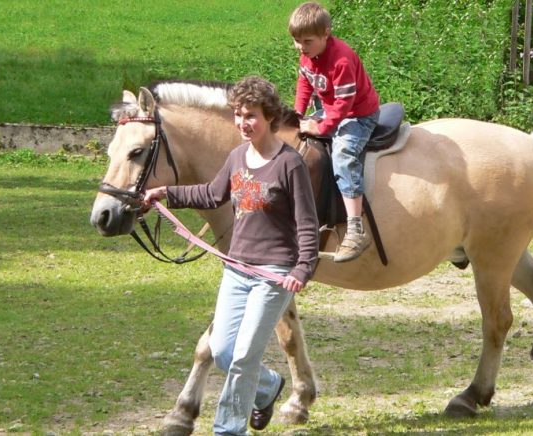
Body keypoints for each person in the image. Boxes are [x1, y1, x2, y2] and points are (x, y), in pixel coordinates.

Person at [142, 76, 319, 435]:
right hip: (237, 270)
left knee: (242, 357)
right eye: (238, 114)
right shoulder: (238, 156)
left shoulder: (289, 164)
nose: (242, 122)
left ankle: (228, 429)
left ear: (270, 117)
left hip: (273, 274)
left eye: (250, 115)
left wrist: (302, 269)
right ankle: (267, 387)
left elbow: (307, 222)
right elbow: (212, 193)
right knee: (223, 350)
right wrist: (165, 193)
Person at [289, 1, 380, 262]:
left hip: (358, 115)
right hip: (331, 110)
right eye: (297, 41)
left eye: (307, 41)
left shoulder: (341, 59)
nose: (301, 47)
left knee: (343, 155)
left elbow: (344, 104)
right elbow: (305, 83)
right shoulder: (308, 54)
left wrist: (321, 126)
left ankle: (355, 228)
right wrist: (298, 114)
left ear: (326, 33)